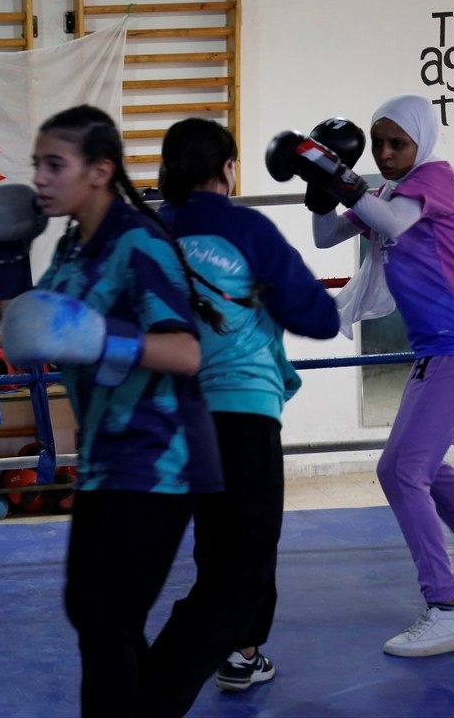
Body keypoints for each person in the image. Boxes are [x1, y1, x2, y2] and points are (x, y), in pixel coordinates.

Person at [0, 104, 224, 716]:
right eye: (37, 163)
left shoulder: (138, 243)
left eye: (55, 164)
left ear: (100, 170)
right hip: (106, 454)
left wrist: (103, 339)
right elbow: (26, 337)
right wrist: (6, 260)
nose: (39, 177)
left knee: (107, 617)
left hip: (161, 456)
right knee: (89, 610)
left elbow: (188, 350)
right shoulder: (70, 245)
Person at [293, 94, 454, 657]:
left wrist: (339, 177)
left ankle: (445, 611)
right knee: (423, 460)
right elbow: (325, 238)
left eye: (398, 144)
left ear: (422, 142)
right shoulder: (386, 189)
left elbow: (389, 221)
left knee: (399, 469)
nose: (386, 155)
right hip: (445, 343)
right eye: (379, 143)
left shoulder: (433, 179)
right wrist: (319, 189)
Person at [135, 117, 340, 715]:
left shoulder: (145, 232)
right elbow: (321, 320)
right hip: (238, 416)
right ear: (228, 170)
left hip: (161, 425)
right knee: (235, 583)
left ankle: (238, 655)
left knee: (221, 559)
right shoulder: (247, 228)